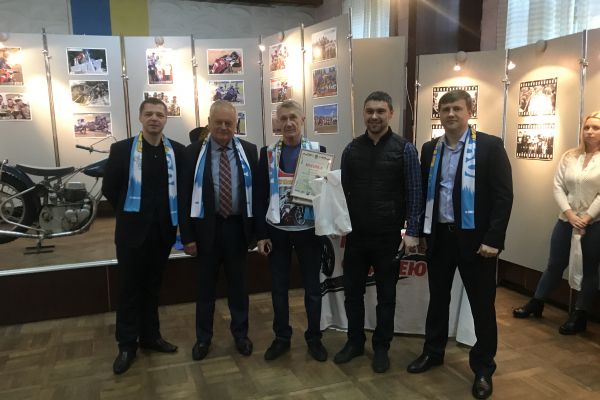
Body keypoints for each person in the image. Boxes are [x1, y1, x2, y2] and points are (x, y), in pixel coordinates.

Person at [406, 90, 513, 400]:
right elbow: (425, 194)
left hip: (477, 243)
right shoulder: (430, 149)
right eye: (445, 109)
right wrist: (420, 232)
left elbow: (503, 196)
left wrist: (493, 239)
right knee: (438, 299)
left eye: (457, 108)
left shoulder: (490, 147)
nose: (450, 114)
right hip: (440, 237)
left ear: (469, 111)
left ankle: (483, 367)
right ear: (439, 114)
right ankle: (433, 351)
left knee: (482, 305)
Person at [333, 91, 423, 373]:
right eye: (369, 111)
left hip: (388, 238)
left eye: (380, 111)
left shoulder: (405, 150)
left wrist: (413, 230)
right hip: (356, 237)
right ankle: (355, 342)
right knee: (352, 294)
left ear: (390, 114)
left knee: (386, 297)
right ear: (364, 114)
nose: (374, 116)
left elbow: (415, 192)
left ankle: (381, 347)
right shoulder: (351, 149)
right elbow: (342, 193)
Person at [102, 98, 185, 375]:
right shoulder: (122, 150)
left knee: (152, 286)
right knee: (129, 289)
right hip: (131, 233)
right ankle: (127, 345)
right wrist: (130, 212)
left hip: (162, 232)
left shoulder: (177, 152)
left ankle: (151, 336)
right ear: (140, 117)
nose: (154, 119)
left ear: (166, 119)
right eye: (149, 114)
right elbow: (110, 189)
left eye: (159, 114)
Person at [179, 100, 258, 361]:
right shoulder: (192, 153)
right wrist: (187, 237)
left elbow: (256, 195)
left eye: (229, 123)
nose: (223, 127)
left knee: (239, 287)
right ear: (209, 123)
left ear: (236, 124)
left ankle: (241, 335)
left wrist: (255, 234)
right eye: (219, 122)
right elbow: (184, 197)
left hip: (237, 229)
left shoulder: (249, 151)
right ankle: (203, 339)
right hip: (206, 231)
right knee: (205, 289)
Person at [513, 111, 600, 334]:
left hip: (594, 224)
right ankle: (537, 302)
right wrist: (570, 214)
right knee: (554, 264)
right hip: (566, 220)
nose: (590, 131)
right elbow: (558, 186)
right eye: (587, 127)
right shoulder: (570, 156)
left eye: (596, 128)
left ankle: (579, 314)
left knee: (590, 269)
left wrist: (586, 218)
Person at [254, 100, 328, 362]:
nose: (288, 123)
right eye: (283, 118)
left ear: (302, 119)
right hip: (277, 230)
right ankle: (281, 338)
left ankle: (314, 338)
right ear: (277, 122)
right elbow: (259, 196)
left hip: (309, 230)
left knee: (313, 289)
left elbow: (325, 194)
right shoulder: (267, 154)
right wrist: (261, 234)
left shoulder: (318, 151)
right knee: (278, 288)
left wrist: (328, 226)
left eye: (293, 117)